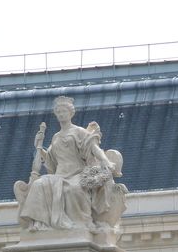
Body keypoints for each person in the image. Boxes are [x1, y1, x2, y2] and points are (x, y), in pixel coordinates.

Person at [19, 96, 117, 232]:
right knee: (38, 184)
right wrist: (39, 148)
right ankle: (40, 223)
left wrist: (104, 159)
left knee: (75, 189)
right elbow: (51, 160)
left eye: (63, 111)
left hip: (77, 172)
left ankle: (85, 223)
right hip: (59, 175)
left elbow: (93, 148)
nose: (60, 114)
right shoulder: (56, 137)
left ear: (71, 113)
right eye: (58, 112)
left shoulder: (79, 131)